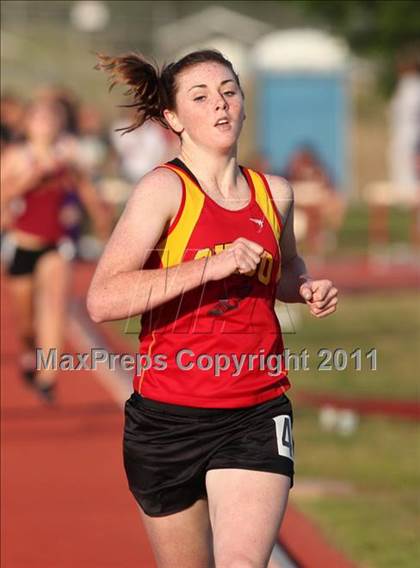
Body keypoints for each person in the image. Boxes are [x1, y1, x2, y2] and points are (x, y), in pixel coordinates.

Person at [88, 50, 338, 568]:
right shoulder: (163, 190)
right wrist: (209, 266)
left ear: (244, 103)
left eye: (229, 91)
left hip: (256, 410)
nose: (220, 106)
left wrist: (307, 286)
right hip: (166, 419)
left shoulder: (276, 194)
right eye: (201, 98)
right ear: (175, 119)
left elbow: (285, 267)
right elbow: (103, 300)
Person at [1, 99, 111, 402]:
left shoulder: (70, 153)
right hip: (23, 242)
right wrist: (30, 178)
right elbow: (4, 193)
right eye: (41, 119)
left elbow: (87, 188)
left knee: (53, 305)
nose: (47, 125)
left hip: (58, 242)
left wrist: (100, 217)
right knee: (25, 319)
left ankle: (47, 377)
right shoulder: (16, 157)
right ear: (29, 125)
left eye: (53, 119)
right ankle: (28, 349)